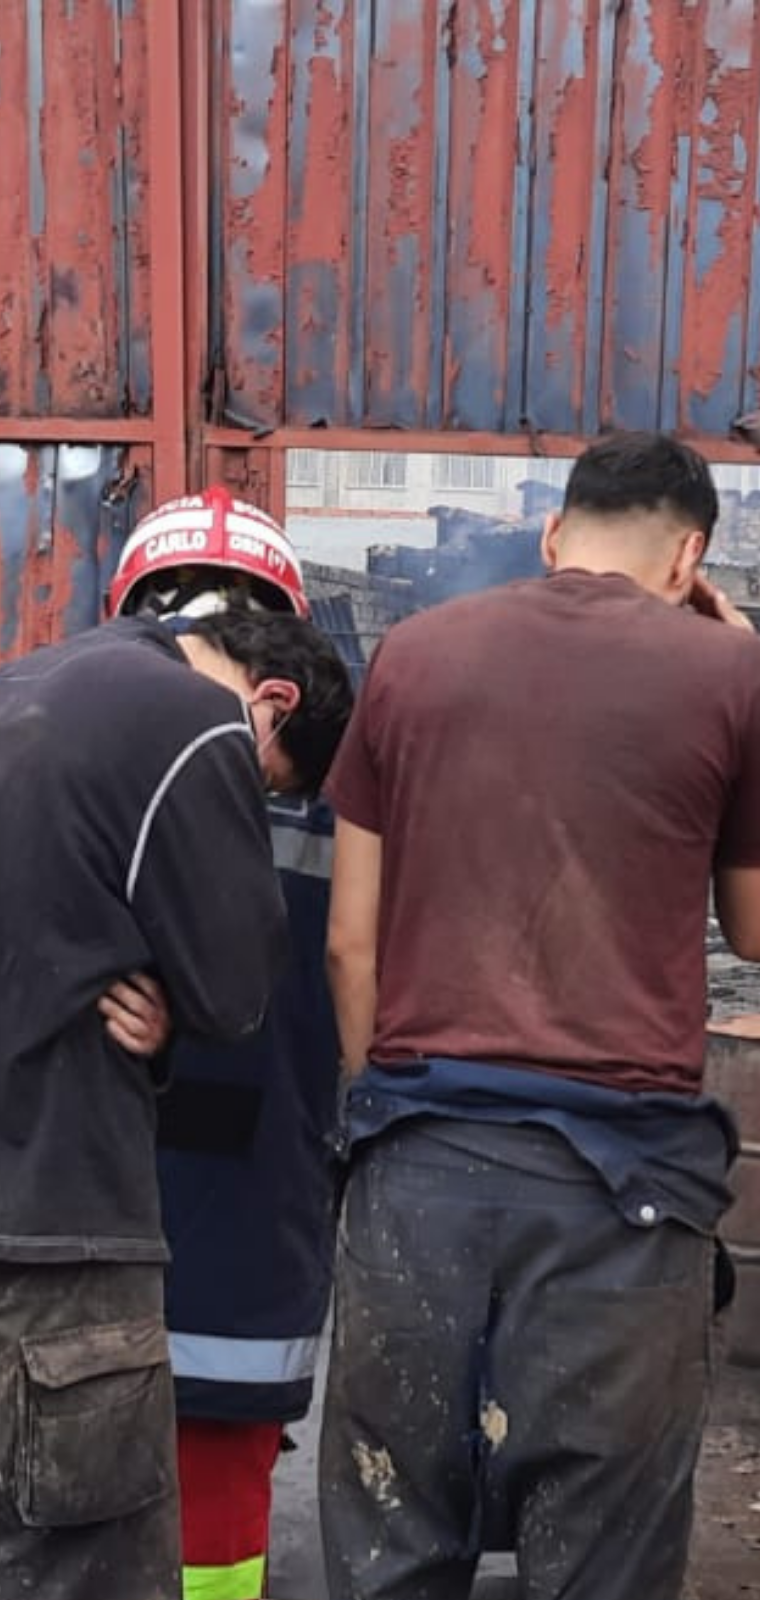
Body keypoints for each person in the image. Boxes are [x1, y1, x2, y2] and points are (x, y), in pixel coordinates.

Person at [0, 576, 354, 1600]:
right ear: (273, 701)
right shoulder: (199, 719)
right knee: (69, 1563)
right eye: (267, 785)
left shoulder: (22, 684)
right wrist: (177, 1011)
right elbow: (238, 989)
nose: (252, 806)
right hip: (51, 1219)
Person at [319, 431, 760, 1600]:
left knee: (392, 1542)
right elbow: (753, 927)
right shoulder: (728, 674)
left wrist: (382, 1118)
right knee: (597, 1564)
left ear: (553, 534)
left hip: (415, 1176)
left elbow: (347, 940)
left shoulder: (411, 656)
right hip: (619, 1197)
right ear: (689, 558)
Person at [106, 490, 345, 1600]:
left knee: (145, 1492)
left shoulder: (87, 759)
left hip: (159, 1201)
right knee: (197, 1499)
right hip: (222, 1212)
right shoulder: (335, 796)